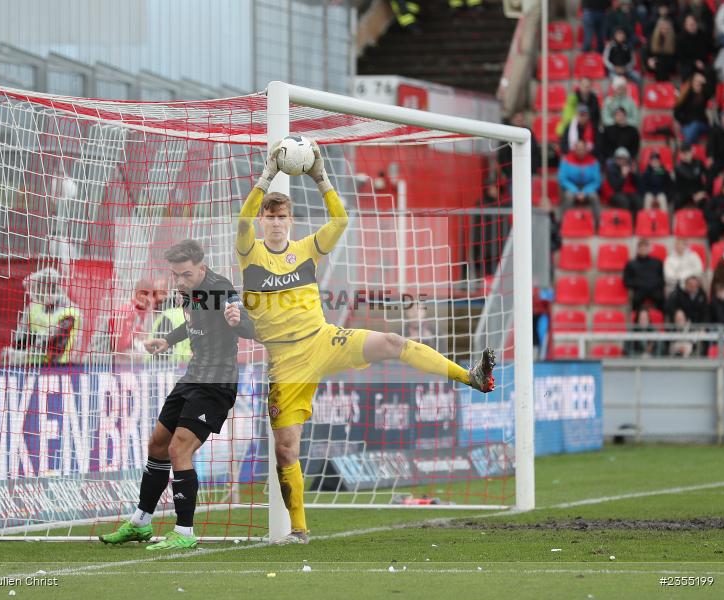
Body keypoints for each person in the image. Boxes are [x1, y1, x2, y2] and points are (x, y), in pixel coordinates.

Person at [236, 139, 496, 544]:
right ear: (262, 221)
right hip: (286, 362)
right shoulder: (250, 252)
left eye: (281, 216)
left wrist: (321, 175)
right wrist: (268, 173)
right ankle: (299, 531)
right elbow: (241, 220)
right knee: (286, 450)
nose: (274, 223)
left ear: (291, 220)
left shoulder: (305, 250)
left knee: (392, 340)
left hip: (323, 339)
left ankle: (471, 376)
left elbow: (340, 222)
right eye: (269, 217)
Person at [99, 239, 255, 551]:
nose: (180, 282)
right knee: (157, 443)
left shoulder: (220, 289)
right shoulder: (190, 292)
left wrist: (239, 322)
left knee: (178, 449)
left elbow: (247, 325)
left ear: (202, 268)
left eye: (186, 275)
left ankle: (184, 531)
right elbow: (193, 322)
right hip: (192, 378)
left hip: (216, 384)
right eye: (176, 276)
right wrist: (168, 340)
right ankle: (141, 522)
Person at [1, 267, 81, 366]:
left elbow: (52, 343)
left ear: (47, 289)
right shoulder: (33, 308)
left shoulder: (70, 312)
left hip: (59, 369)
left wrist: (21, 355)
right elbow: (20, 339)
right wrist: (13, 353)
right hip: (30, 369)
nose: (32, 295)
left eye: (36, 290)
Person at [558, 139, 603, 219]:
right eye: (578, 149)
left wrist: (584, 192)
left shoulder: (593, 161)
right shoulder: (566, 160)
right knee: (569, 196)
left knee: (594, 197)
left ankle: (598, 223)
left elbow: (597, 181)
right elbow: (562, 179)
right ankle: (564, 222)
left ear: (586, 149)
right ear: (574, 149)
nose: (580, 151)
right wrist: (576, 191)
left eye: (582, 149)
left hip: (588, 187)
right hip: (571, 187)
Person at [623, 238, 666, 311]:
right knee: (636, 300)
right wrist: (638, 284)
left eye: (645, 247)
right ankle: (636, 321)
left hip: (654, 289)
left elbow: (662, 278)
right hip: (639, 290)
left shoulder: (657, 262)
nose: (643, 249)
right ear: (637, 249)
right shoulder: (631, 264)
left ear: (649, 249)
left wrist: (654, 284)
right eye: (641, 247)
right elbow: (626, 281)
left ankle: (662, 321)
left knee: (662, 300)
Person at [675, 72, 713, 145]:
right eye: (696, 82)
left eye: (700, 83)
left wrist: (705, 81)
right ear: (691, 82)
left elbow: (711, 91)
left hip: (702, 124)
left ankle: (686, 148)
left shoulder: (704, 94)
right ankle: (690, 150)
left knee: (695, 126)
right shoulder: (685, 96)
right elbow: (676, 113)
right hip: (687, 125)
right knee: (692, 130)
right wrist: (684, 121)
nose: (698, 85)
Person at [674, 141, 710, 211]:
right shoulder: (678, 168)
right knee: (677, 202)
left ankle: (705, 221)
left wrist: (703, 191)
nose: (684, 155)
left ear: (691, 152)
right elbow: (679, 187)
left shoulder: (699, 163)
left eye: (687, 152)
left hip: (698, 191)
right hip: (685, 193)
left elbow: (708, 177)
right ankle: (677, 220)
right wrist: (692, 195)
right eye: (682, 153)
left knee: (705, 204)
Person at [605, 146, 643, 212]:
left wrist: (635, 174)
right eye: (619, 158)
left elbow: (639, 185)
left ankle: (636, 221)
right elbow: (616, 187)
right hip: (615, 193)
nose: (621, 161)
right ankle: (626, 221)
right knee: (624, 202)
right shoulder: (612, 169)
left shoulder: (630, 167)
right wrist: (623, 176)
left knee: (638, 201)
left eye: (623, 159)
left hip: (629, 191)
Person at [677, 14, 713, 80]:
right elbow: (681, 57)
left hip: (703, 63)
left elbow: (710, 49)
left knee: (711, 72)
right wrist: (694, 62)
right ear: (685, 26)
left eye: (694, 24)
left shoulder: (703, 35)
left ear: (697, 24)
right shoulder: (681, 39)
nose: (692, 27)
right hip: (688, 64)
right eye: (690, 25)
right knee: (687, 73)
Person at [645, 17, 677, 81]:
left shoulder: (675, 39)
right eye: (662, 28)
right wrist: (649, 60)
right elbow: (646, 53)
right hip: (655, 63)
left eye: (666, 28)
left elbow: (675, 56)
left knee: (662, 65)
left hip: (669, 64)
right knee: (657, 65)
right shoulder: (652, 38)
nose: (664, 30)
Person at [707, 108, 724, 178]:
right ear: (721, 119)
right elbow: (711, 145)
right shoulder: (715, 131)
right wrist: (710, 156)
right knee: (711, 169)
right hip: (719, 158)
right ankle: (708, 188)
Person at [707, 176, 724, 243]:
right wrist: (719, 217)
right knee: (713, 228)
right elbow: (707, 212)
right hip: (719, 221)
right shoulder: (716, 198)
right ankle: (714, 248)